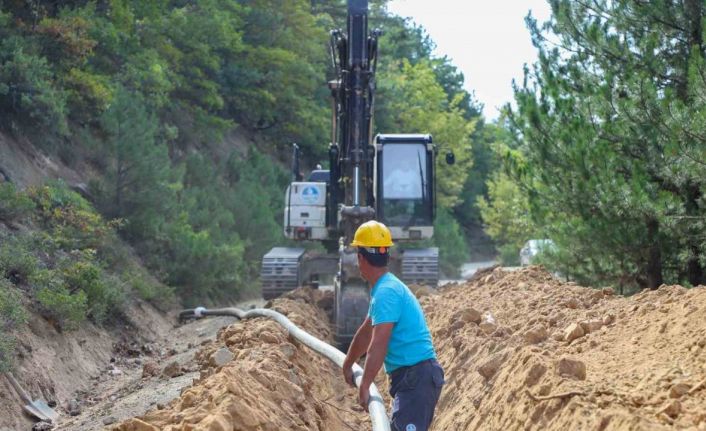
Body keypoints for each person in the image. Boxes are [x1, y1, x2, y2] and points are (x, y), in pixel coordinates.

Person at [342, 220, 444, 431]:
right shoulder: (385, 288)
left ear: (360, 258)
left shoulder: (386, 292)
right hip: (412, 378)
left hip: (417, 378)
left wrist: (365, 384)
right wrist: (348, 363)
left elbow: (378, 344)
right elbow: (366, 333)